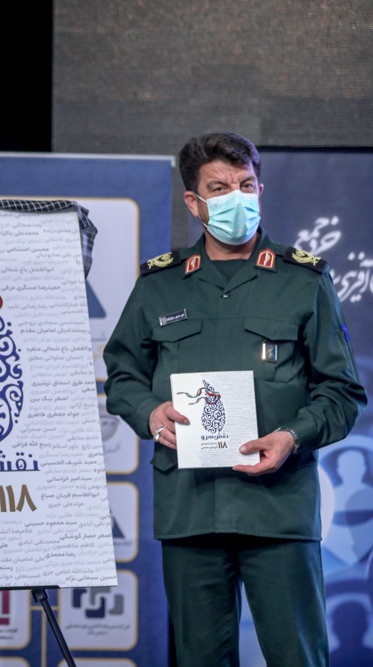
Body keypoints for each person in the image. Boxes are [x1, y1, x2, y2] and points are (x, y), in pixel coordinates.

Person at [103, 132, 367, 666]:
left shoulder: (304, 279)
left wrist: (292, 435)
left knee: (298, 658)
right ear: (193, 202)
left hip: (279, 509)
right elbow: (123, 374)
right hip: (190, 508)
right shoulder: (159, 284)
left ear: (260, 189)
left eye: (245, 185)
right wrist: (150, 414)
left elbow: (342, 392)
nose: (236, 198)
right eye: (219, 189)